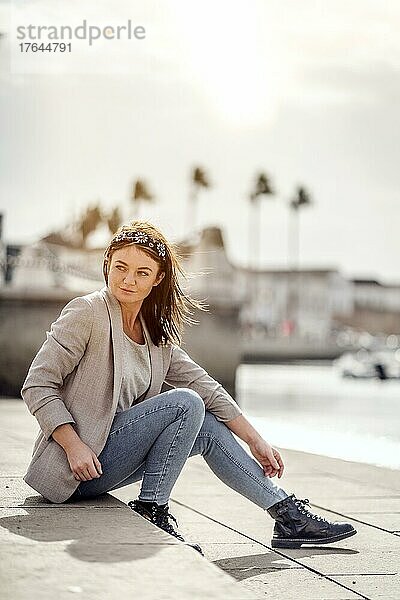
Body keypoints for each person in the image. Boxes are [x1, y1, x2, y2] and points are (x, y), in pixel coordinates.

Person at [21, 220, 356, 555]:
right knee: (186, 403)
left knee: (207, 424)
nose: (128, 280)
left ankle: (287, 516)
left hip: (106, 460)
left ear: (158, 278)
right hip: (72, 467)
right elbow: (37, 384)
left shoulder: (155, 333)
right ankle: (152, 509)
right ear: (106, 265)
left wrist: (256, 439)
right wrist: (72, 444)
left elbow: (206, 386)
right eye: (120, 268)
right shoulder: (88, 312)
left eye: (141, 272)